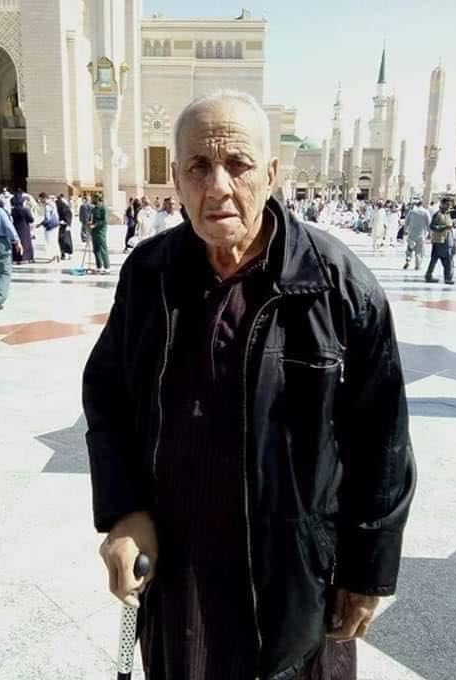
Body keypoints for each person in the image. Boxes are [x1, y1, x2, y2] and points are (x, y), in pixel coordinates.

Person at [83, 90, 415, 680]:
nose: (217, 187)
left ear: (271, 173)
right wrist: (125, 510)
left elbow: (382, 439)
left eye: (237, 165)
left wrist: (367, 569)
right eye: (198, 167)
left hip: (294, 580)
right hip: (182, 576)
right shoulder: (150, 274)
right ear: (176, 178)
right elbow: (108, 396)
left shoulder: (337, 286)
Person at [424, 197, 455, 284]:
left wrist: (455, 204)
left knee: (435, 259)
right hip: (440, 241)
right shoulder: (438, 214)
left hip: (447, 240)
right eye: (447, 204)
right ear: (442, 204)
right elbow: (432, 226)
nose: (449, 206)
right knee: (447, 260)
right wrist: (444, 227)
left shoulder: (448, 214)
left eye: (450, 205)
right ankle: (447, 278)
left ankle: (429, 275)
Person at [403, 200, 430, 270]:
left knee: (409, 248)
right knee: (419, 251)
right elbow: (429, 223)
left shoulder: (411, 211)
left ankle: (408, 259)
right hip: (421, 234)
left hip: (411, 233)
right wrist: (430, 233)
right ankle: (417, 265)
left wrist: (405, 230)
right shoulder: (425, 212)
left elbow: (406, 221)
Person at [36, 193, 61, 262]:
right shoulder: (53, 203)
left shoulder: (47, 206)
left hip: (50, 226)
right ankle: (57, 255)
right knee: (55, 241)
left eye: (41, 199)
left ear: (44, 198)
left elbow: (48, 219)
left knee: (49, 242)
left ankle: (52, 256)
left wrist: (40, 224)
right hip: (56, 224)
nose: (40, 201)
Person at [90, 194, 110, 274]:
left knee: (102, 248)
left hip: (101, 231)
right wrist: (89, 223)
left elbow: (104, 221)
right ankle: (99, 266)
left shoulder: (103, 208)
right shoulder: (93, 209)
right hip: (94, 231)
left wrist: (95, 225)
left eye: (93, 198)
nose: (92, 199)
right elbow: (91, 219)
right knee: (96, 249)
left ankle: (107, 267)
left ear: (98, 199)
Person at [56, 193, 74, 259]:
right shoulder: (61, 205)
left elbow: (68, 214)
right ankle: (63, 253)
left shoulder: (62, 205)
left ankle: (67, 254)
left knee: (65, 240)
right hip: (62, 225)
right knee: (62, 240)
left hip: (65, 225)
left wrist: (68, 223)